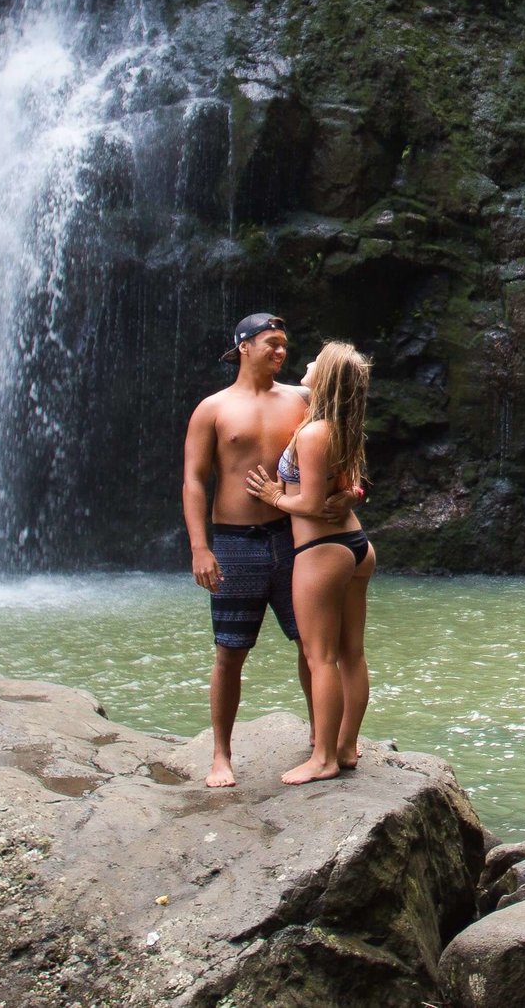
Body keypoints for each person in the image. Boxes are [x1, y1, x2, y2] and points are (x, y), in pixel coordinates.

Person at [180, 311, 339, 789]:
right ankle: (221, 756)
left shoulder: (303, 399)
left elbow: (340, 450)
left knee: (311, 645)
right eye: (271, 342)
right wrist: (199, 548)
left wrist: (347, 493)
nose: (281, 351)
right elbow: (193, 480)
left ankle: (320, 742)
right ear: (243, 347)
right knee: (230, 652)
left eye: (284, 344)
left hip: (295, 537)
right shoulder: (213, 408)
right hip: (234, 543)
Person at [246, 340, 376, 785]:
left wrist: (275, 496)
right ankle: (347, 746)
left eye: (316, 361)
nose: (306, 362)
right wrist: (352, 494)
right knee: (351, 653)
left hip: (322, 551)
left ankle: (324, 757)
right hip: (356, 546)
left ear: (327, 377)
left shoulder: (317, 431)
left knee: (320, 657)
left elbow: (313, 504)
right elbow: (346, 488)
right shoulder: (339, 426)